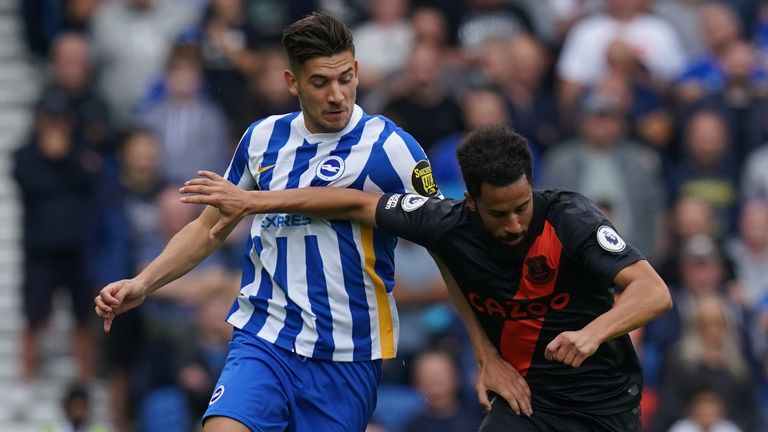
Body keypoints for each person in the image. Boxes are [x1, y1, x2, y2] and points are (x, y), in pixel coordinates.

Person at [94, 11, 501, 432]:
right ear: (293, 83)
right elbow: (206, 229)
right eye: (321, 83)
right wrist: (143, 282)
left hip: (347, 353)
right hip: (264, 336)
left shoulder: (393, 148)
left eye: (345, 78)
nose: (337, 95)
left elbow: (447, 246)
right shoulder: (261, 139)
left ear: (357, 71)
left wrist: (485, 352)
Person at [179, 124, 673, 431]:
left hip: (602, 403)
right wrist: (253, 202)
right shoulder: (447, 223)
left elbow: (653, 291)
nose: (515, 223)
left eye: (522, 207)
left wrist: (593, 333)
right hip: (524, 400)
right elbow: (353, 202)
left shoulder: (572, 219)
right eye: (499, 213)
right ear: (470, 201)